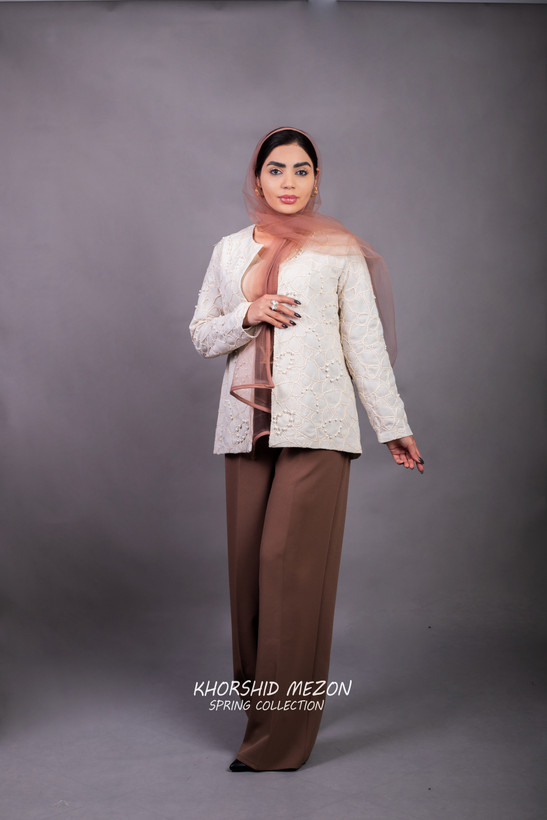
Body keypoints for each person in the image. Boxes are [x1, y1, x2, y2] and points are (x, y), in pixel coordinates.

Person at [189, 127, 424, 773]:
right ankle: (263, 715)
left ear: (317, 179)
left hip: (318, 427)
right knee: (249, 577)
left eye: (301, 169)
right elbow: (202, 335)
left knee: (287, 568)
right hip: (246, 429)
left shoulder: (338, 250)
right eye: (276, 169)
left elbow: (364, 344)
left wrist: (391, 425)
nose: (288, 181)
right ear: (256, 178)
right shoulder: (229, 249)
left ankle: (279, 742)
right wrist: (249, 312)